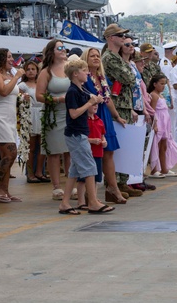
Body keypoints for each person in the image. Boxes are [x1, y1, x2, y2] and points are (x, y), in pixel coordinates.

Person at [57, 59, 111, 215]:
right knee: (90, 167)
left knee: (74, 171)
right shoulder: (73, 91)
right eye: (84, 70)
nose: (88, 73)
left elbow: (92, 98)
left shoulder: (80, 90)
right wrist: (89, 104)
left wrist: (96, 99)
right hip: (76, 134)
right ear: (75, 74)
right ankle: (93, 201)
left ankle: (65, 203)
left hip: (80, 133)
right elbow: (73, 113)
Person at [101, 26, 143, 198]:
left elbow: (130, 78)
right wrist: (128, 75)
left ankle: (122, 183)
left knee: (125, 147)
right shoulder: (110, 58)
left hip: (124, 105)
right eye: (120, 35)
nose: (123, 38)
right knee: (116, 148)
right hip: (116, 106)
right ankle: (114, 184)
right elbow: (129, 78)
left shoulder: (117, 58)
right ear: (111, 38)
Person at [85, 48, 125, 204]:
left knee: (109, 152)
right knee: (93, 155)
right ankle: (91, 193)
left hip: (105, 116)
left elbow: (108, 100)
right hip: (92, 116)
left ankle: (113, 188)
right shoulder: (84, 77)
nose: (96, 58)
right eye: (92, 56)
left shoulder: (102, 77)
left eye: (97, 56)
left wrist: (116, 116)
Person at [36, 39, 72, 200]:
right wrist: (57, 100)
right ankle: (57, 186)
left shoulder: (70, 68)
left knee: (70, 150)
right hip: (53, 114)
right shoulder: (46, 72)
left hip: (70, 113)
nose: (63, 50)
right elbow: (39, 95)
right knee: (54, 151)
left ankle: (72, 184)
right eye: (60, 48)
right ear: (52, 52)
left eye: (64, 47)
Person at [0, 48, 23, 202]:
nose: (12, 59)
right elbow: (2, 91)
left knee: (9, 155)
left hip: (9, 117)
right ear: (1, 58)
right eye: (9, 57)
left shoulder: (9, 74)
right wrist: (16, 77)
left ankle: (5, 189)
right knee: (10, 154)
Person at [148, 74, 177, 179]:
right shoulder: (153, 95)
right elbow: (152, 111)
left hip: (165, 122)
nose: (163, 86)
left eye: (164, 84)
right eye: (161, 84)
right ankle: (154, 169)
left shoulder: (161, 95)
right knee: (156, 146)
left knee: (164, 146)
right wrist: (154, 124)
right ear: (154, 84)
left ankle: (164, 168)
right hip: (158, 121)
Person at [18, 60, 46, 183]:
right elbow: (17, 100)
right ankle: (30, 173)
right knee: (31, 146)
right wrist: (23, 99)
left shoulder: (41, 83)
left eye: (33, 69)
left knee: (43, 145)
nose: (30, 71)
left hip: (42, 113)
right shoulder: (22, 86)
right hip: (30, 114)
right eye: (28, 69)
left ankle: (39, 171)